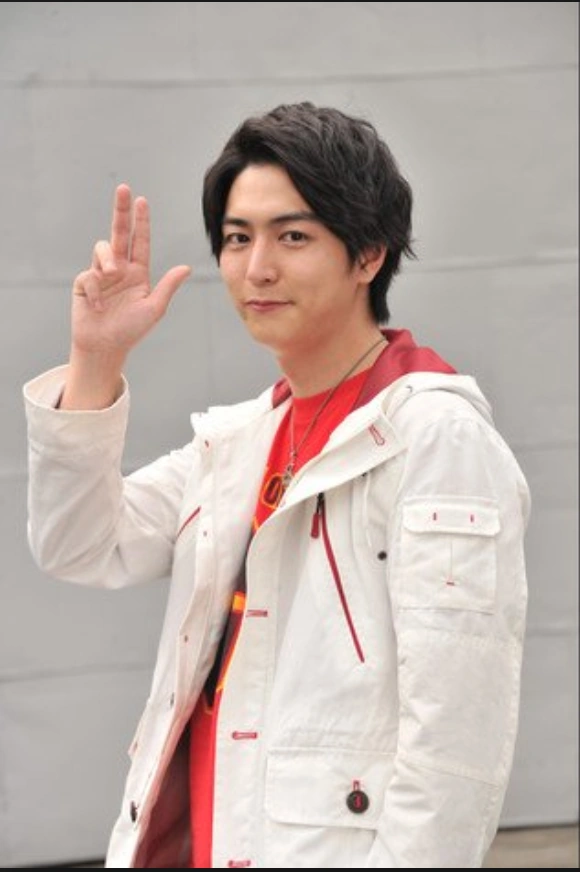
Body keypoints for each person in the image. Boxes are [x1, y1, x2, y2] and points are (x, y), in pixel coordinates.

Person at [24, 102, 530, 869]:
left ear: (368, 255)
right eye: (237, 238)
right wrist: (95, 360)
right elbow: (78, 544)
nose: (256, 268)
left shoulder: (435, 438)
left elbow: (456, 745)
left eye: (293, 236)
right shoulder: (241, 441)